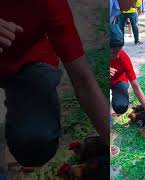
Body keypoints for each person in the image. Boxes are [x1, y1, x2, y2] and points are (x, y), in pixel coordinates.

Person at [0, 0, 108, 168]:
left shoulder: (50, 3)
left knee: (35, 143)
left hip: (27, 61)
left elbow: (83, 80)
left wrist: (113, 140)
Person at [110, 25, 145, 133]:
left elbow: (136, 87)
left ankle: (117, 97)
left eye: (119, 51)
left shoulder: (123, 58)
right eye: (113, 52)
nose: (117, 56)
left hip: (118, 81)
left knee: (121, 106)